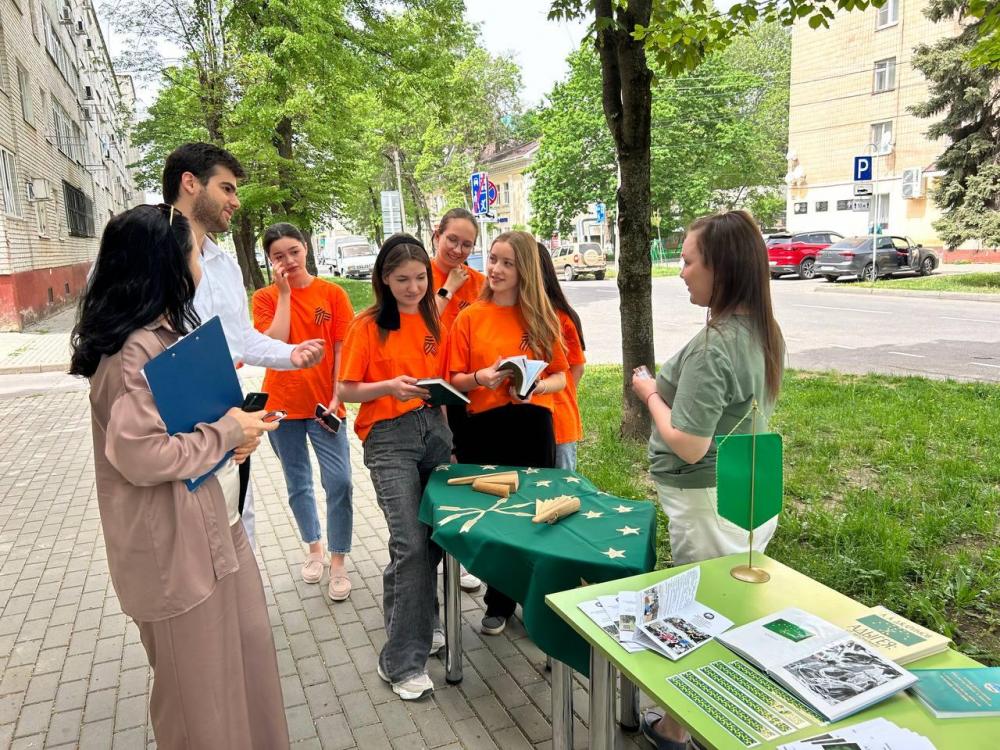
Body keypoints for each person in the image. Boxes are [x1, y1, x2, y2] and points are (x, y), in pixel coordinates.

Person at [69, 204, 289, 748]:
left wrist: (230, 435)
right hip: (174, 550)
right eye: (194, 250)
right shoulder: (130, 350)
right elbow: (141, 454)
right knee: (200, 705)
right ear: (165, 262)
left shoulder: (166, 330)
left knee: (246, 664)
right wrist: (224, 435)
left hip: (217, 525)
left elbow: (186, 428)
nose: (201, 260)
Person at [630, 210, 785, 750]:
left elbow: (691, 442)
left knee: (698, 608)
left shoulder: (715, 344)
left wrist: (649, 392)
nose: (681, 272)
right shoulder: (761, 331)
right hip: (752, 484)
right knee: (734, 602)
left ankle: (679, 729)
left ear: (721, 268)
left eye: (690, 261)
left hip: (706, 495)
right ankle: (721, 711)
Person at [163, 142, 325, 549]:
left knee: (237, 521)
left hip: (228, 417)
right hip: (170, 428)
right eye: (227, 188)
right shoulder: (143, 251)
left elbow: (240, 338)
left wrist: (290, 354)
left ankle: (242, 611)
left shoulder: (225, 262)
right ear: (190, 184)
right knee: (187, 539)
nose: (235, 201)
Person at [337, 234, 452, 700]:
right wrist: (388, 387)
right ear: (384, 279)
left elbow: (440, 383)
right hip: (389, 439)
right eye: (402, 279)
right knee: (409, 543)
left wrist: (450, 437)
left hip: (434, 433)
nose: (413, 287)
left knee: (436, 538)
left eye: (421, 277)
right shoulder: (367, 325)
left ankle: (421, 620)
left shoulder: (434, 319)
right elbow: (346, 390)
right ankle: (401, 661)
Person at [447, 230, 569, 635]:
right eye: (493, 260)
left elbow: (561, 377)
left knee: (535, 517)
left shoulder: (541, 317)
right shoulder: (469, 317)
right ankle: (498, 599)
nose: (495, 269)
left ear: (525, 270)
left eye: (506, 263)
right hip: (483, 428)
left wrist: (534, 387)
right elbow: (454, 381)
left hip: (532, 425)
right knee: (495, 520)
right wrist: (481, 377)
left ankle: (531, 601)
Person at [252, 223, 355, 600]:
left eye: (293, 251)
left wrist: (336, 394)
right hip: (281, 406)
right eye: (278, 256)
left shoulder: (332, 293)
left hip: (325, 406)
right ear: (269, 260)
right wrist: (282, 294)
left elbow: (343, 347)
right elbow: (272, 343)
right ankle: (314, 548)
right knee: (298, 483)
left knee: (340, 481)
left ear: (306, 249)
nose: (288, 261)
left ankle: (339, 557)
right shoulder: (264, 298)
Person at [429, 207, 484, 593]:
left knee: (467, 475)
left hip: (467, 391)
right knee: (439, 476)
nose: (459, 250)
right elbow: (421, 323)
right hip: (430, 391)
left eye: (467, 244)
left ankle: (462, 558)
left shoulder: (480, 282)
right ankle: (435, 559)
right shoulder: (418, 273)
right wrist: (448, 285)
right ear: (437, 234)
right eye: (453, 240)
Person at [537, 240, 586, 471]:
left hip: (559, 419)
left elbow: (576, 367)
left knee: (563, 488)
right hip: (530, 420)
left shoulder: (561, 317)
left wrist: (560, 395)